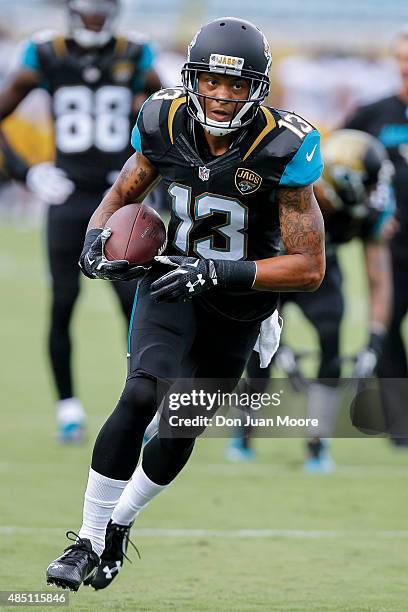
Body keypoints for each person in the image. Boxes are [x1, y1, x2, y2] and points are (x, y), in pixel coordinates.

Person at [45, 17, 325, 591]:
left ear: (259, 89)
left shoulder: (284, 146)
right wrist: (95, 241)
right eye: (212, 83)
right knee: (144, 389)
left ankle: (120, 526)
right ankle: (88, 540)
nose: (222, 97)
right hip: (172, 279)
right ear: (192, 79)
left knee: (180, 428)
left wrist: (221, 271)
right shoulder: (162, 118)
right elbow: (124, 192)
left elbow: (309, 267)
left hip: (241, 301)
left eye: (238, 85)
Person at [0, 0, 161, 441]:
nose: (95, 17)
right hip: (68, 195)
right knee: (63, 301)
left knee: (133, 307)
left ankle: (143, 404)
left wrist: (148, 178)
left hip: (119, 200)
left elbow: (169, 122)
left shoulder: (135, 52)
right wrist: (27, 171)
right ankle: (67, 407)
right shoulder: (45, 52)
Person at [226, 129, 394, 470]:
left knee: (331, 334)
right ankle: (242, 432)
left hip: (318, 270)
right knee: (261, 355)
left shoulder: (362, 212)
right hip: (270, 267)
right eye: (370, 185)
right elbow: (253, 268)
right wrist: (280, 343)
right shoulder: (290, 192)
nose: (376, 194)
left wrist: (374, 343)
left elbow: (379, 278)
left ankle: (318, 444)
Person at [343, 27, 408, 446]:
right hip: (394, 244)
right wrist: (366, 211)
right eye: (403, 58)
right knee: (385, 329)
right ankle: (402, 423)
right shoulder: (375, 113)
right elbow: (338, 155)